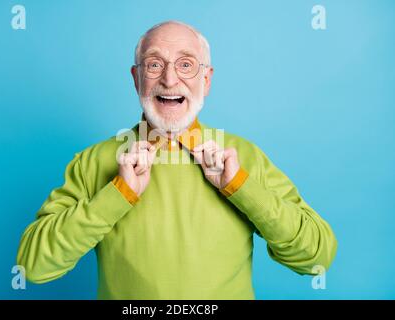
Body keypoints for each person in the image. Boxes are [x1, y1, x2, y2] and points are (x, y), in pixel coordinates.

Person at [17, 20, 337, 299]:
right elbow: (33, 266)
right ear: (136, 78)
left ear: (206, 80)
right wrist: (117, 194)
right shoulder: (93, 161)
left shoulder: (243, 157)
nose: (170, 80)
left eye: (186, 65)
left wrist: (240, 187)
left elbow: (316, 256)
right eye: (154, 65)